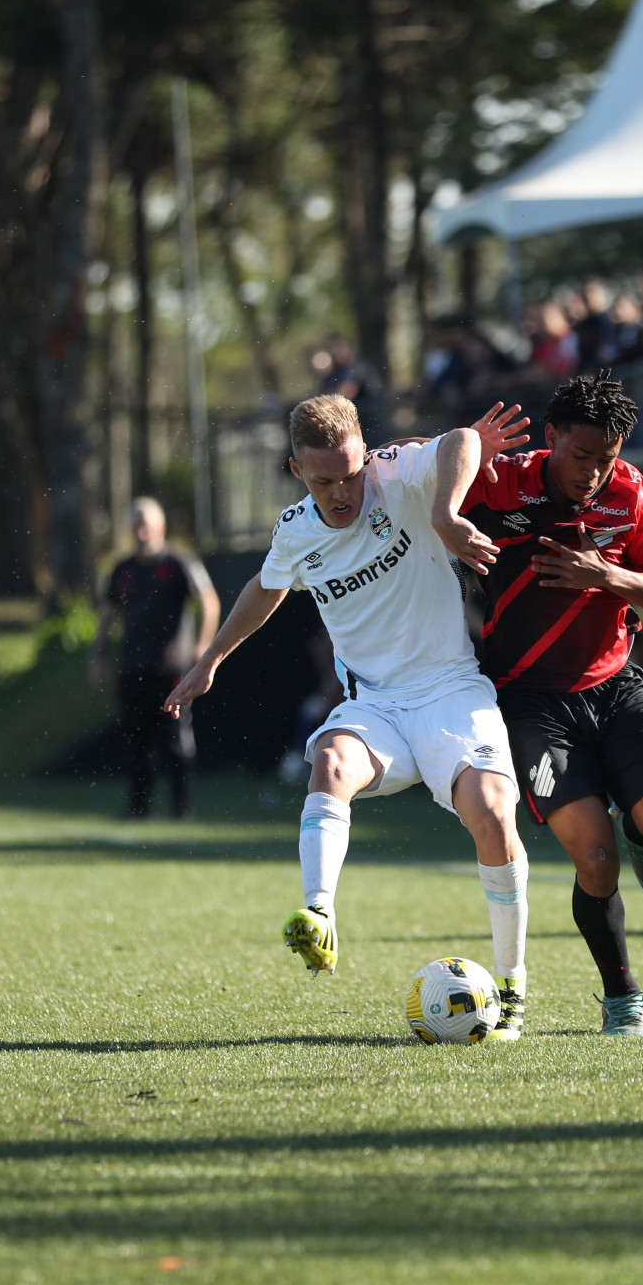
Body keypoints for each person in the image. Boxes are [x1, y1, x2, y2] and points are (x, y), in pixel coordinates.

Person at [164, 396, 537, 1040]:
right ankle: (319, 915)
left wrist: (445, 515)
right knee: (329, 760)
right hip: (376, 707)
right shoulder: (297, 529)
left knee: (494, 815)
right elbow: (267, 586)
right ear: (296, 471)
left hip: (451, 690)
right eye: (323, 480)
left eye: (350, 474)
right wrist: (213, 659)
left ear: (367, 454)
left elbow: (455, 442)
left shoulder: (395, 474)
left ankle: (512, 990)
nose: (341, 492)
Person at [459, 371, 643, 1037]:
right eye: (581, 456)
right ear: (550, 439)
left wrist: (608, 576)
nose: (595, 472)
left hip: (617, 687)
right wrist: (453, 470)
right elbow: (402, 469)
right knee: (594, 861)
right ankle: (622, 994)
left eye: (607, 458)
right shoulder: (500, 481)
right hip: (531, 700)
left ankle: (642, 828)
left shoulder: (629, 492)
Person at [90, 498, 220, 819]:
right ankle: (138, 807)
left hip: (172, 668)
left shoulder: (179, 562)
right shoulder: (123, 569)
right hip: (133, 667)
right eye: (135, 524)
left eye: (146, 523)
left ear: (161, 527)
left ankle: (181, 808)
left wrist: (202, 646)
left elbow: (210, 602)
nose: (141, 530)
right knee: (136, 741)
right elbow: (107, 615)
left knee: (176, 739)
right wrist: (97, 655)